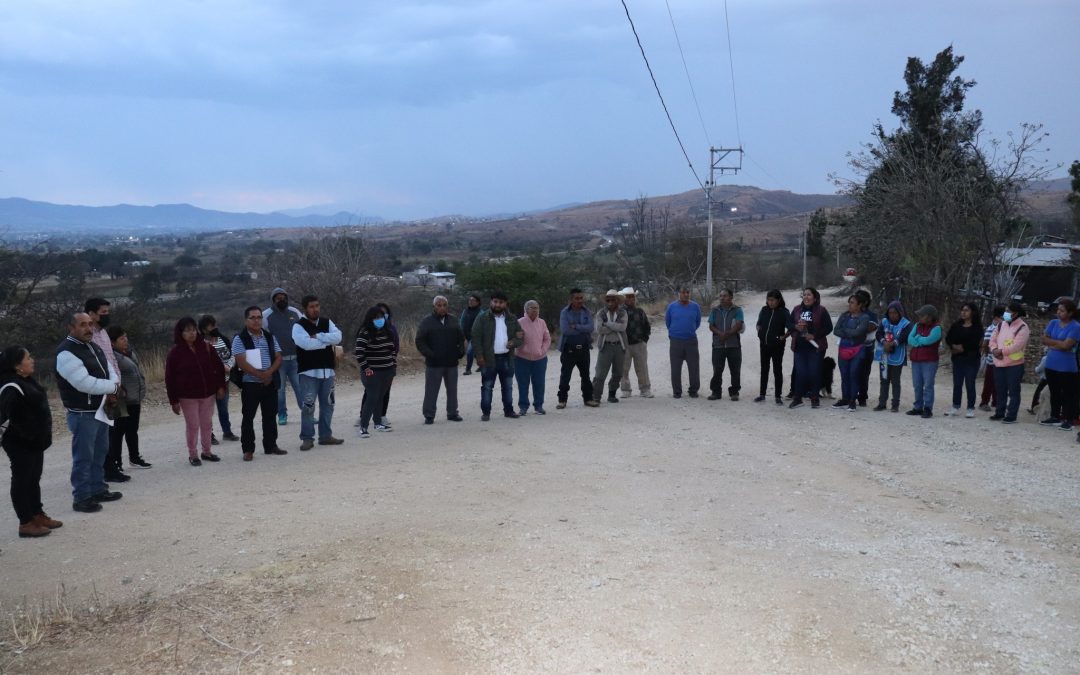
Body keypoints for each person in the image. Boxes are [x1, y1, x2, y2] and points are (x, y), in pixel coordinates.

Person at [55, 312, 123, 512]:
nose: (88, 328)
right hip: (82, 413)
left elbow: (110, 370)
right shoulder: (65, 352)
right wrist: (112, 388)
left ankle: (98, 489)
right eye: (83, 324)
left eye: (91, 324)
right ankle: (82, 497)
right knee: (84, 457)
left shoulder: (93, 347)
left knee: (100, 453)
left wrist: (113, 387)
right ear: (71, 327)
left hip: (100, 409)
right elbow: (83, 383)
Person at [1, 346, 60, 537]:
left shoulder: (27, 380)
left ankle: (37, 514)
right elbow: (12, 417)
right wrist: (30, 436)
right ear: (17, 365)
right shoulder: (10, 386)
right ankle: (25, 522)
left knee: (34, 478)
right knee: (22, 479)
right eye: (28, 358)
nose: (32, 360)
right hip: (20, 443)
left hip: (34, 442)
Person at [165, 317, 226, 466]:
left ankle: (207, 451)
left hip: (208, 394)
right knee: (193, 425)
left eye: (193, 329)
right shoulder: (175, 353)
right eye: (187, 330)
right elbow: (170, 378)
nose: (191, 333)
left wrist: (220, 386)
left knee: (207, 423)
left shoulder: (206, 347)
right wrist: (173, 401)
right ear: (181, 333)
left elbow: (218, 368)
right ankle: (193, 454)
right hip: (187, 396)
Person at [233, 306, 287, 460]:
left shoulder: (269, 337)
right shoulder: (240, 338)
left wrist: (268, 373)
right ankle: (248, 449)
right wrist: (260, 374)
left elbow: (278, 357)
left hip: (269, 382)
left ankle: (271, 446)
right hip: (250, 384)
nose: (257, 321)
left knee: (270, 416)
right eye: (253, 317)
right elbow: (241, 362)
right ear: (246, 320)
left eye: (259, 317)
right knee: (248, 417)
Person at [292, 295, 345, 449]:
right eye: (311, 306)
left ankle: (325, 435)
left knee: (328, 404)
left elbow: (338, 337)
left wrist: (320, 337)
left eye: (317, 306)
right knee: (308, 406)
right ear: (305, 308)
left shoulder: (326, 322)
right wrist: (326, 342)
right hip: (309, 372)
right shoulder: (298, 326)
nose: (315, 309)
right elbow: (305, 344)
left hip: (327, 371)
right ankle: (307, 438)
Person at [85, 298, 128, 483]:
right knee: (102, 433)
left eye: (107, 312)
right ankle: (103, 471)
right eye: (103, 312)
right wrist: (109, 387)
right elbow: (95, 365)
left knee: (114, 430)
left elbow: (111, 361)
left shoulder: (103, 333)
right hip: (100, 389)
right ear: (92, 314)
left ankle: (112, 467)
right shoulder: (89, 335)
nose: (106, 315)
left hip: (113, 386)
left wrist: (118, 384)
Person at [472, 291, 524, 421]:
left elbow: (520, 336)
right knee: (487, 386)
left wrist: (514, 342)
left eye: (501, 302)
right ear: (491, 302)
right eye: (495, 301)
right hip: (488, 359)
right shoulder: (482, 317)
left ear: (505, 304)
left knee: (507, 386)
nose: (497, 304)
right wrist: (479, 356)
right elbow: (476, 338)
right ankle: (486, 413)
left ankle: (509, 411)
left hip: (507, 358)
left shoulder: (512, 318)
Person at [415, 295, 466, 424]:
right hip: (434, 363)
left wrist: (460, 352)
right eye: (439, 305)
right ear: (434, 307)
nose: (442, 308)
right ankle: (429, 415)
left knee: (452, 389)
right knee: (431, 390)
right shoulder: (427, 322)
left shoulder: (454, 320)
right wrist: (429, 354)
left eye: (444, 305)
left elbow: (461, 337)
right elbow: (420, 340)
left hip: (451, 362)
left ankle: (453, 413)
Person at [107, 326, 151, 469]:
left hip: (135, 397)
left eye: (125, 336)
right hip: (122, 400)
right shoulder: (112, 357)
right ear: (112, 343)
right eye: (121, 338)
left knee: (133, 429)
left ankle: (135, 458)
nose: (125, 340)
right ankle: (116, 462)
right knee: (118, 432)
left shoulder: (130, 353)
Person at [355, 304, 398, 437]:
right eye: (376, 317)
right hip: (372, 372)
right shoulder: (365, 333)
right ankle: (363, 426)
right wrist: (366, 368)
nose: (379, 319)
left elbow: (392, 350)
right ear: (370, 319)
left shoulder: (387, 331)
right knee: (372, 397)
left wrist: (393, 365)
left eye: (381, 317)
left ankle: (378, 422)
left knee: (380, 396)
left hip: (388, 370)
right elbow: (359, 353)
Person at [263, 287, 304, 426]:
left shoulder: (295, 312)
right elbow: (264, 337)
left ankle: (307, 413)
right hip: (278, 361)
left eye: (284, 297)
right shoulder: (265, 316)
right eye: (278, 298)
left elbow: (304, 330)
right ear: (273, 300)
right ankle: (282, 415)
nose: (282, 300)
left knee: (300, 388)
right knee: (280, 391)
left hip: (295, 359)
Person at [787, 287, 833, 409]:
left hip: (816, 347)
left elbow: (828, 327)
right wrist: (796, 327)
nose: (806, 297)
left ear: (815, 297)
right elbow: (789, 323)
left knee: (814, 372)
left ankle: (814, 398)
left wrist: (814, 335)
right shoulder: (797, 309)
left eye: (809, 295)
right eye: (804, 295)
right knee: (800, 373)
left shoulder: (821, 310)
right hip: (800, 346)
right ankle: (797, 398)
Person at [1038, 298, 1080, 429]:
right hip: (1051, 364)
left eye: (1062, 310)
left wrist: (1053, 343)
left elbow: (1067, 345)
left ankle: (1068, 419)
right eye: (1058, 310)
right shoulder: (1053, 323)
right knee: (1054, 391)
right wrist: (1058, 344)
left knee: (1068, 393)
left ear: (1070, 313)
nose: (1059, 312)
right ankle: (1054, 416)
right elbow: (1044, 339)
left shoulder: (1076, 327)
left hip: (1067, 366)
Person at [198, 315, 239, 443]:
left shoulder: (223, 339)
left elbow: (233, 355)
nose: (215, 328)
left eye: (215, 325)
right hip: (207, 383)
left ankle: (227, 432)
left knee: (223, 408)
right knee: (207, 411)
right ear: (204, 330)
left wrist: (229, 366)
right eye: (211, 326)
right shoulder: (200, 344)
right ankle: (208, 435)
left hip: (224, 381)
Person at [989, 301, 1029, 424]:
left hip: (1014, 364)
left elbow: (1017, 345)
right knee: (1000, 389)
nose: (1005, 313)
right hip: (999, 363)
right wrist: (994, 349)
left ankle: (1011, 415)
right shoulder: (1001, 325)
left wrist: (1001, 352)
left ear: (1015, 313)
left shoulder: (1023, 327)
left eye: (1008, 311)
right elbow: (992, 339)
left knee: (1013, 391)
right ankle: (999, 412)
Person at [832, 294, 872, 412]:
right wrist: (851, 332)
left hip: (857, 349)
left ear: (859, 305)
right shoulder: (844, 316)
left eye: (852, 302)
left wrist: (845, 331)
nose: (849, 304)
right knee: (844, 375)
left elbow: (859, 332)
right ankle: (845, 398)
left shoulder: (864, 317)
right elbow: (836, 331)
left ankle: (852, 400)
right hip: (843, 349)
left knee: (854, 374)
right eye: (849, 302)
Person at [557, 288, 596, 409]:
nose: (580, 301)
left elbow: (590, 328)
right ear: (571, 300)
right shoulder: (565, 312)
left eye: (581, 298)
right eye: (577, 298)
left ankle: (588, 399)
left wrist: (576, 326)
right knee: (565, 375)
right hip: (569, 348)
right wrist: (581, 328)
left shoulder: (586, 311)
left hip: (584, 347)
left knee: (585, 375)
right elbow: (565, 330)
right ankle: (562, 400)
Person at [944, 302, 984, 418]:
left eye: (966, 310)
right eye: (962, 310)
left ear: (973, 312)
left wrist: (962, 348)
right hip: (957, 358)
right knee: (957, 384)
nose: (963, 312)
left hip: (971, 359)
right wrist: (954, 347)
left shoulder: (977, 327)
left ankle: (970, 408)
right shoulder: (956, 325)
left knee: (970, 384)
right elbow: (948, 338)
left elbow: (974, 343)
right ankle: (955, 406)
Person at [873, 301, 913, 412]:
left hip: (897, 356)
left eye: (895, 313)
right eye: (890, 313)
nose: (892, 315)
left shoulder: (906, 324)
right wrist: (883, 342)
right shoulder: (884, 321)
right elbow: (878, 333)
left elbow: (904, 337)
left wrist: (892, 343)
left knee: (895, 381)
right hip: (884, 355)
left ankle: (895, 404)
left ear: (900, 313)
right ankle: (882, 403)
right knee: (884, 380)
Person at [591, 290, 628, 404]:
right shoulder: (600, 313)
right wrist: (614, 326)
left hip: (619, 346)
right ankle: (596, 396)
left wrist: (607, 324)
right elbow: (599, 329)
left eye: (613, 299)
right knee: (600, 373)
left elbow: (622, 327)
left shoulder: (623, 312)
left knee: (618, 373)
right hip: (605, 346)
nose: (610, 302)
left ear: (617, 301)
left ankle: (612, 394)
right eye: (608, 300)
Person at [707, 288, 744, 401]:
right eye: (721, 296)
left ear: (731, 297)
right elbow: (711, 326)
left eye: (725, 296)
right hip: (718, 345)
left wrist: (726, 334)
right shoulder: (715, 310)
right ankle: (716, 392)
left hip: (734, 345)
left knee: (735, 370)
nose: (722, 298)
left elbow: (738, 325)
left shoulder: (737, 310)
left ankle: (734, 392)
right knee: (717, 369)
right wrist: (720, 334)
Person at [516, 299, 551, 415]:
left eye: (537, 308)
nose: (535, 310)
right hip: (522, 359)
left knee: (539, 383)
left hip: (540, 359)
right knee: (523, 383)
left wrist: (543, 350)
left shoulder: (542, 322)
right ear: (526, 309)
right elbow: (515, 339)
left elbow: (547, 339)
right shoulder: (519, 322)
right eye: (532, 307)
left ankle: (539, 406)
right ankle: (523, 407)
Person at [906, 305, 942, 418]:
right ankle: (918, 407)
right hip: (916, 360)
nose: (920, 317)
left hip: (929, 361)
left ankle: (927, 408)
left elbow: (928, 341)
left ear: (930, 317)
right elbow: (909, 339)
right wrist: (919, 340)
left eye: (922, 315)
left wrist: (918, 339)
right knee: (917, 385)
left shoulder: (937, 328)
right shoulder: (917, 325)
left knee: (928, 385)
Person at [666, 286, 702, 399]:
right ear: (679, 293)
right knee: (675, 368)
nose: (686, 294)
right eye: (683, 292)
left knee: (694, 367)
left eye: (688, 292)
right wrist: (676, 333)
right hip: (676, 341)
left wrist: (688, 331)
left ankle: (693, 390)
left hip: (691, 341)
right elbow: (668, 322)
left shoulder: (695, 307)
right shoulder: (671, 307)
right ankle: (677, 391)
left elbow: (697, 322)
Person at [755, 290, 789, 405]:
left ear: (778, 300)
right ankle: (762, 394)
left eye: (772, 300)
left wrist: (783, 337)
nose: (770, 302)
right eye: (768, 300)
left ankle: (778, 396)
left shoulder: (784, 312)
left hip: (777, 346)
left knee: (777, 370)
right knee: (764, 369)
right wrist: (759, 332)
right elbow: (759, 323)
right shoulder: (764, 310)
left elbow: (791, 327)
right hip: (764, 344)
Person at [619, 287, 653, 398]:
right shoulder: (620, 312)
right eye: (628, 297)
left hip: (639, 344)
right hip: (624, 345)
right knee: (624, 368)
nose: (631, 299)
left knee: (642, 367)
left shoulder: (640, 311)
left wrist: (645, 340)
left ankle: (645, 389)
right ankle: (625, 390)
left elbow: (647, 326)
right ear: (623, 298)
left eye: (632, 297)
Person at [854, 289, 879, 407]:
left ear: (865, 302)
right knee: (852, 372)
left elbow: (870, 328)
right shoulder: (851, 313)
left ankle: (862, 396)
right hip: (852, 348)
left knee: (864, 374)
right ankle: (851, 395)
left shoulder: (872, 315)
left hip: (866, 347)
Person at [979, 306, 1005, 412]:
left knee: (997, 382)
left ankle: (996, 401)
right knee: (989, 382)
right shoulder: (992, 328)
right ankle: (984, 402)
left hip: (999, 359)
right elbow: (985, 344)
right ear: (999, 316)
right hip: (992, 360)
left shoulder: (1001, 327)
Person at [459, 294, 483, 375]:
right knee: (475, 352)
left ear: (478, 302)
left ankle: (468, 369)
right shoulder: (465, 311)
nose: (470, 302)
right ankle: (482, 365)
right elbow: (461, 322)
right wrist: (461, 333)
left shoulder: (481, 312)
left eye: (473, 300)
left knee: (469, 352)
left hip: (476, 336)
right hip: (466, 335)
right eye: (469, 300)